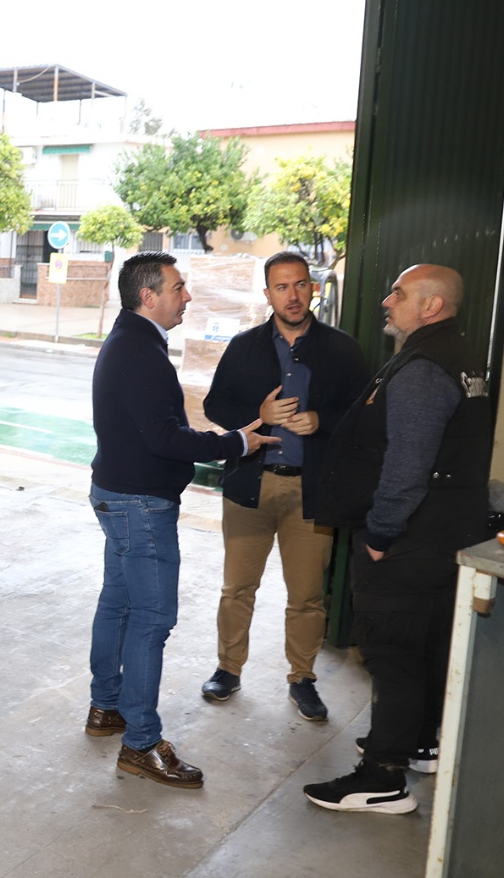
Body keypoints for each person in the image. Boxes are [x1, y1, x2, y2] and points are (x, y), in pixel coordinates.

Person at [86, 251, 278, 789]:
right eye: (178, 287)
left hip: (117, 495)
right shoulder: (139, 352)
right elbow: (166, 438)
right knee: (151, 620)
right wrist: (238, 440)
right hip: (139, 506)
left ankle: (107, 709)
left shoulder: (131, 341)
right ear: (148, 296)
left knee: (118, 604)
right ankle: (141, 743)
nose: (187, 295)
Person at [303, 264, 492, 814]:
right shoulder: (459, 357)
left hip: (409, 539)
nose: (387, 302)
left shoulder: (424, 369)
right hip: (445, 536)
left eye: (399, 294)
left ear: (431, 306)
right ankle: (420, 742)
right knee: (427, 645)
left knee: (392, 654)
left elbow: (407, 466)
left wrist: (382, 534)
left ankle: (382, 778)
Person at [199, 252, 369, 720]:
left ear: (312, 288)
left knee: (307, 595)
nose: (291, 296)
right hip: (250, 489)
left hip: (311, 494)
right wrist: (259, 416)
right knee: (237, 589)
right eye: (281, 287)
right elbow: (215, 405)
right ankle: (228, 670)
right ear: (267, 294)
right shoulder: (244, 347)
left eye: (299, 285)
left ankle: (303, 678)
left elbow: (365, 417)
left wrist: (322, 420)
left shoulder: (343, 349)